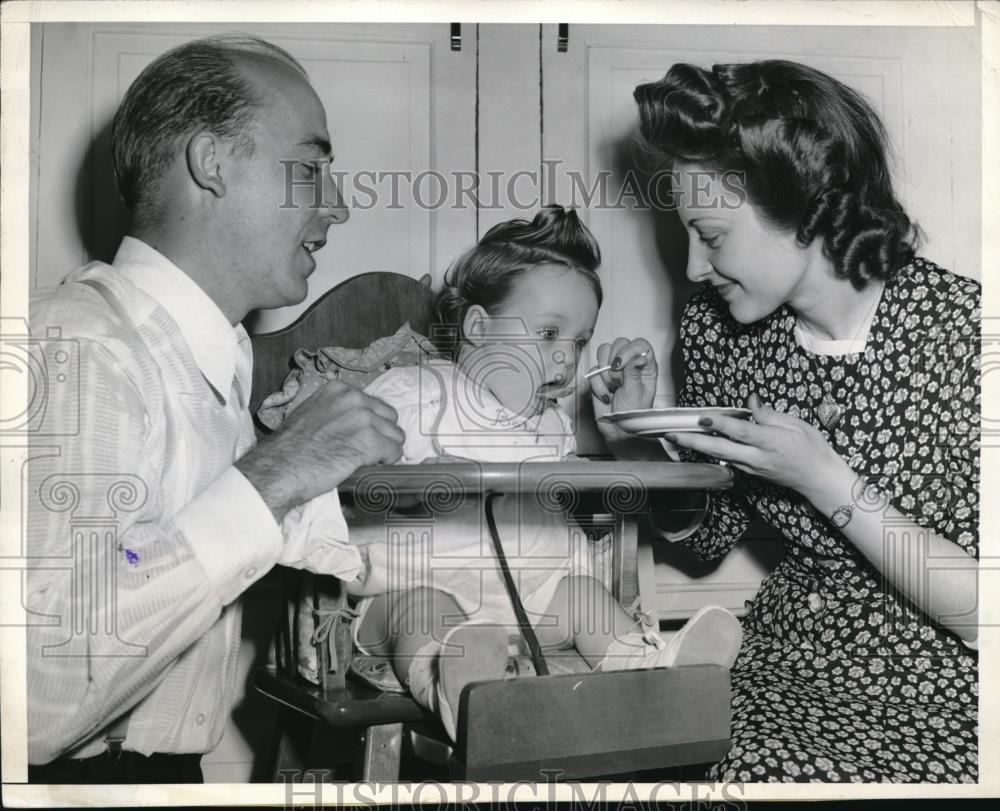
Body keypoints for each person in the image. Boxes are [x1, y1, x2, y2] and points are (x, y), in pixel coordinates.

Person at [25, 35, 406, 783]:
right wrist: (276, 472)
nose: (339, 204)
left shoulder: (217, 359)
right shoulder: (80, 346)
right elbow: (33, 700)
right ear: (212, 162)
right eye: (310, 167)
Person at [588, 60, 979, 783]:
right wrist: (633, 449)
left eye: (711, 234)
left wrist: (827, 480)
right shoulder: (719, 331)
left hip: (952, 691)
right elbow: (710, 537)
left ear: (809, 207)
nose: (694, 269)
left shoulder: (966, 336)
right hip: (781, 661)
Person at [280, 206, 742, 742]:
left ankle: (653, 672)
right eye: (548, 334)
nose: (565, 360)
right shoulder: (415, 393)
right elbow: (341, 478)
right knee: (419, 612)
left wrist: (618, 433)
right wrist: (412, 478)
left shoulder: (551, 428)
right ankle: (457, 691)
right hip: (414, 592)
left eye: (578, 341)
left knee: (581, 596)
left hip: (528, 608)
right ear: (478, 328)